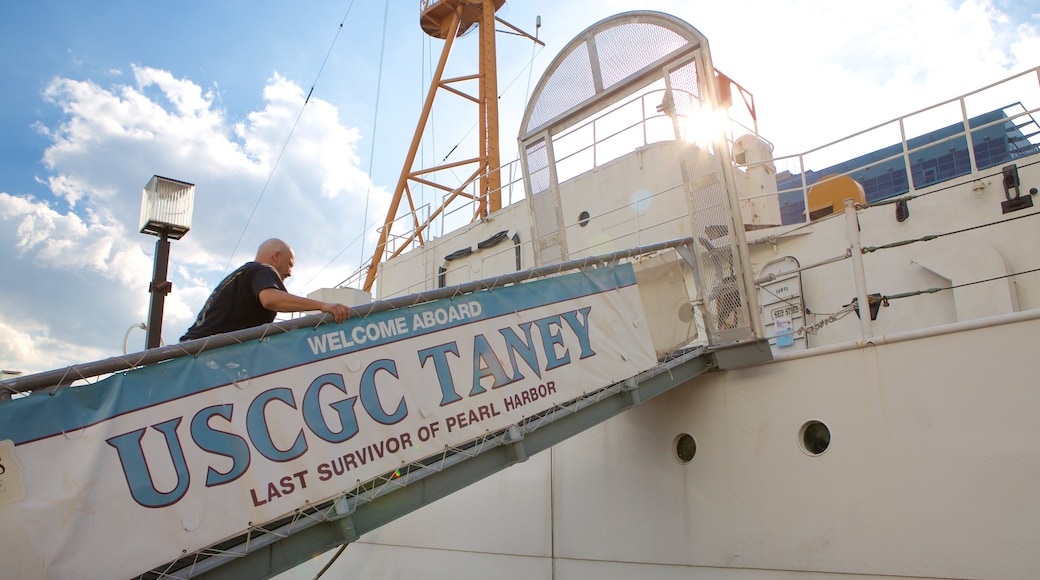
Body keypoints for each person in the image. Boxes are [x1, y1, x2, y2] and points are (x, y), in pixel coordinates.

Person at [180, 238, 350, 341]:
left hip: (192, 350)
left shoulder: (241, 275)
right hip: (203, 355)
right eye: (290, 264)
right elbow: (270, 299)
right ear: (276, 256)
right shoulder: (263, 270)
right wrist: (322, 306)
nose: (290, 272)